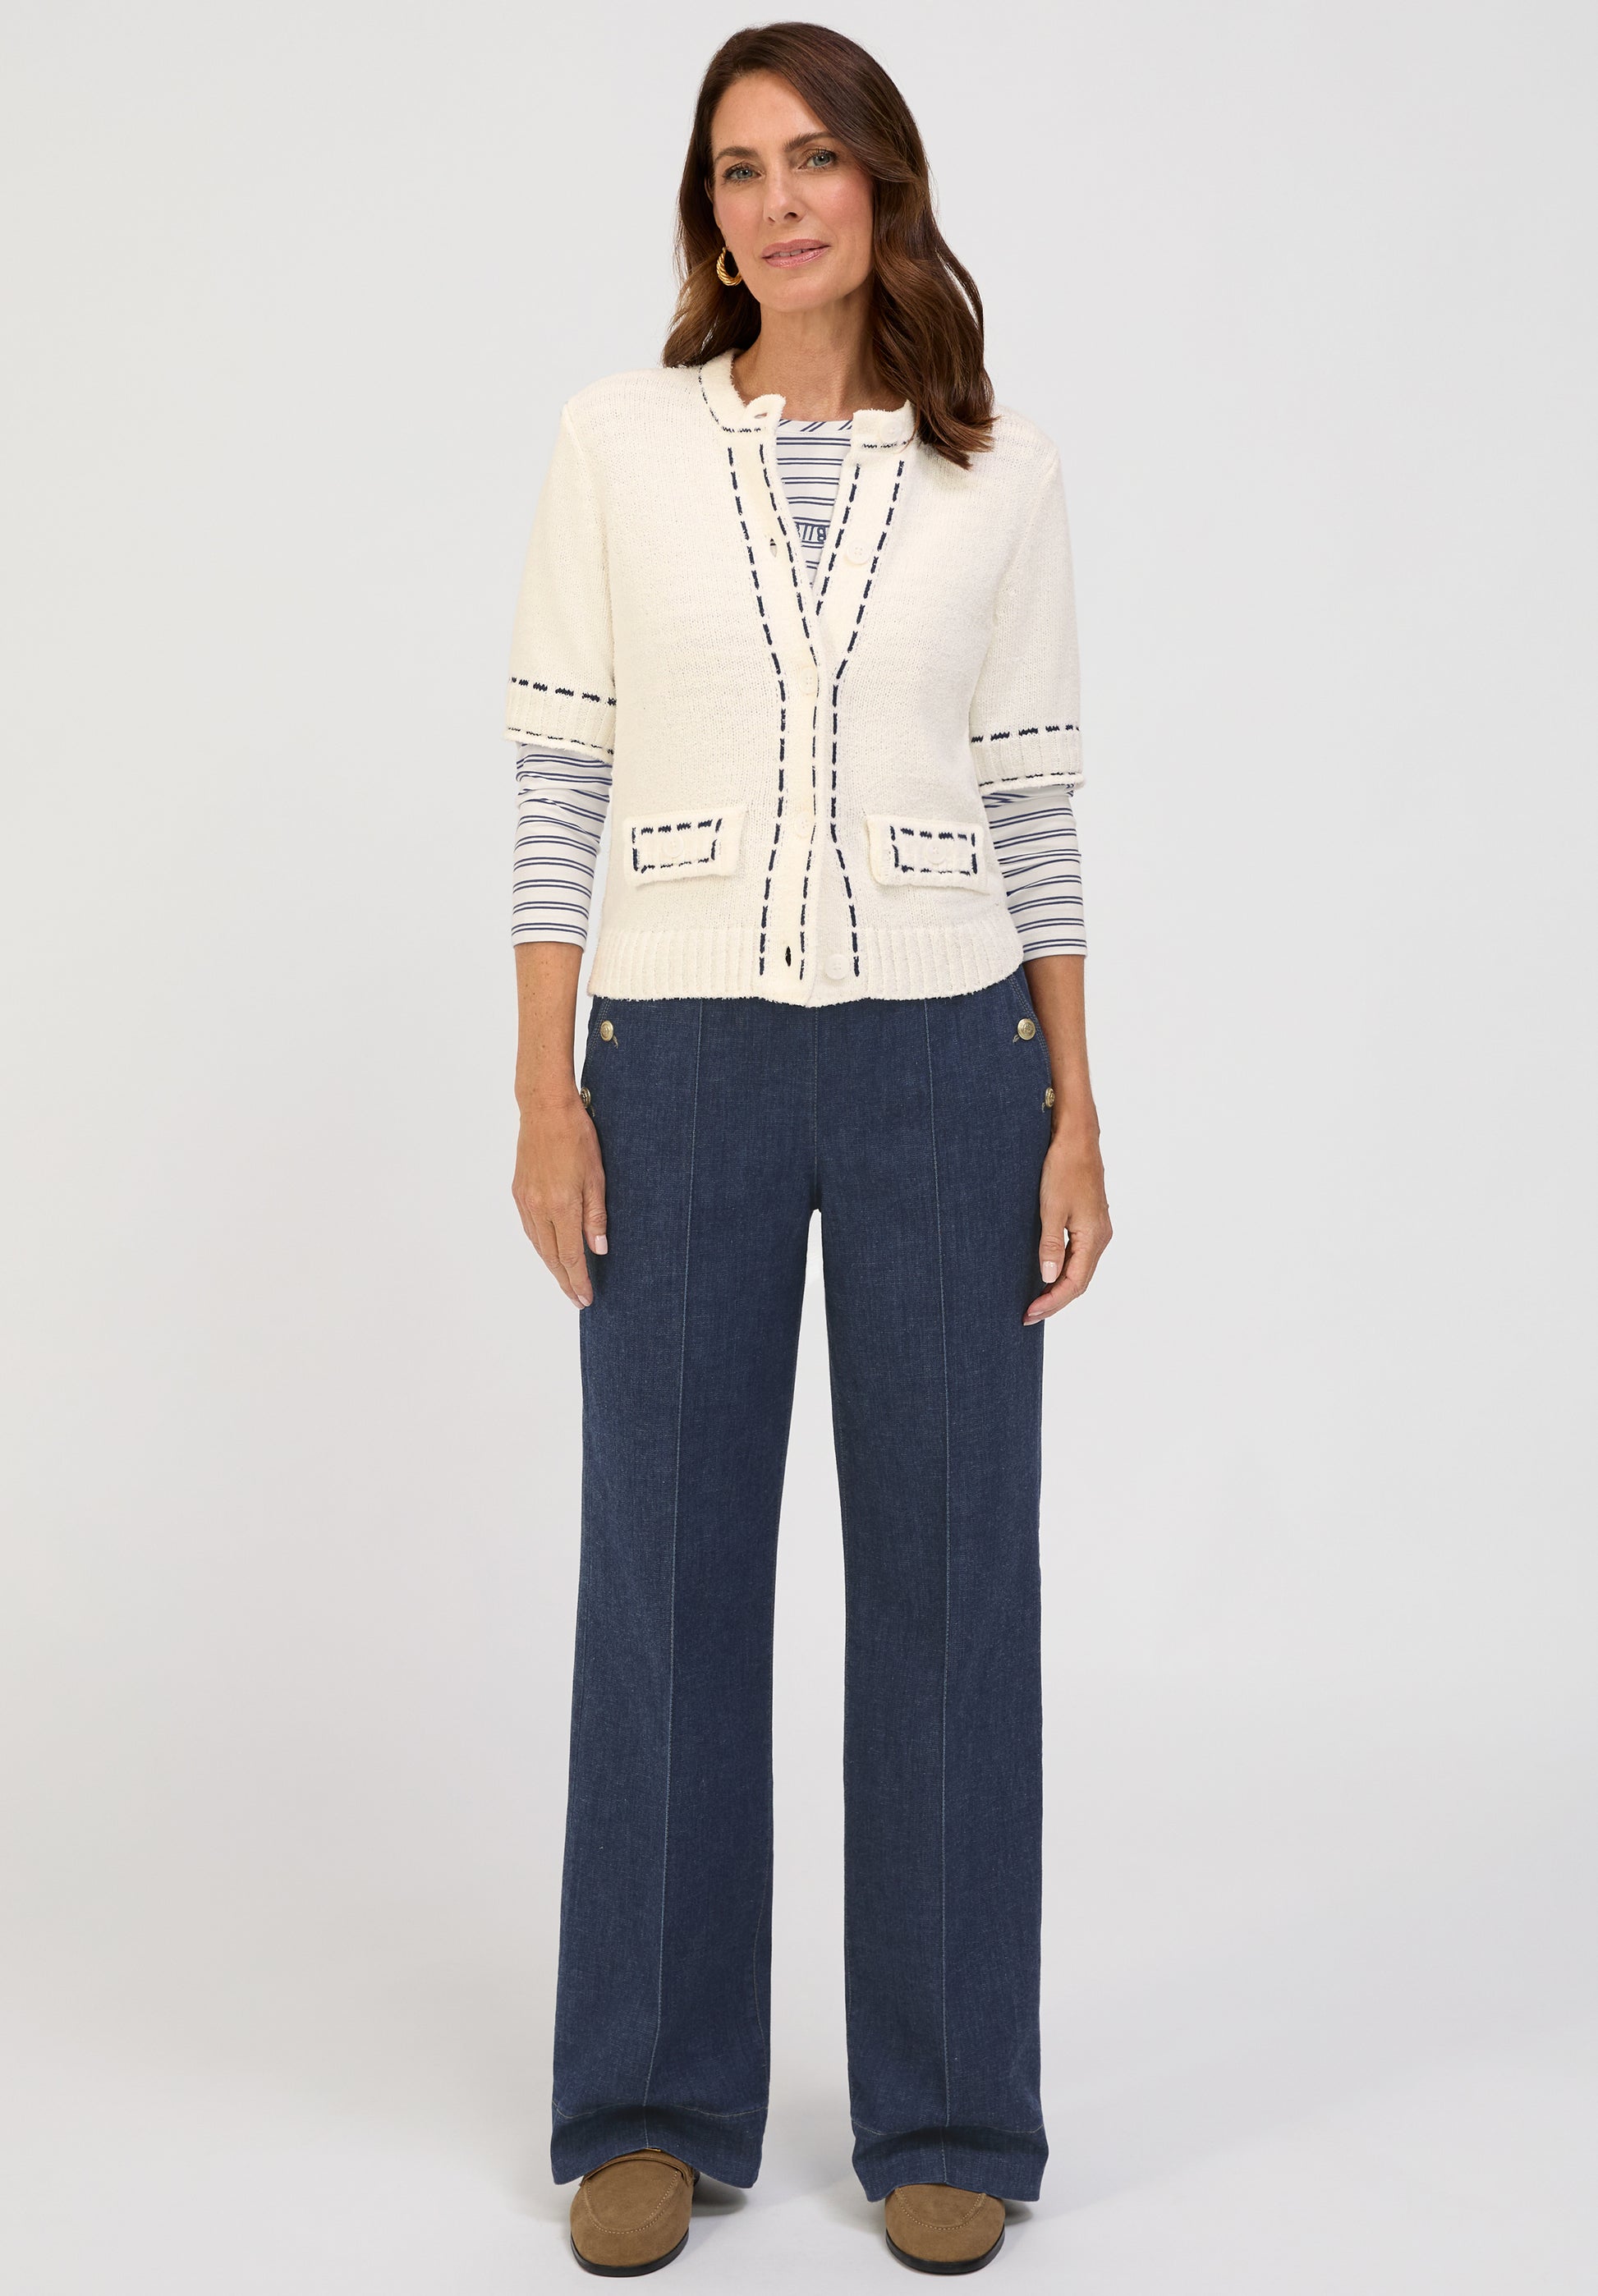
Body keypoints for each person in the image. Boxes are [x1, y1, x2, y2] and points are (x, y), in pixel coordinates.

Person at [503, 22, 1111, 2275]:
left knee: (953, 1580)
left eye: (815, 159)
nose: (778, 203)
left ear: (883, 187)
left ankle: (950, 2107)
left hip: (953, 1061)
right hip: (676, 1060)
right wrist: (543, 1089)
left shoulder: (1001, 473)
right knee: (664, 1572)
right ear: (710, 211)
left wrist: (1075, 1106)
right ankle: (650, 2097)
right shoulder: (616, 443)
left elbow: (1035, 804)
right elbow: (559, 774)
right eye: (739, 168)